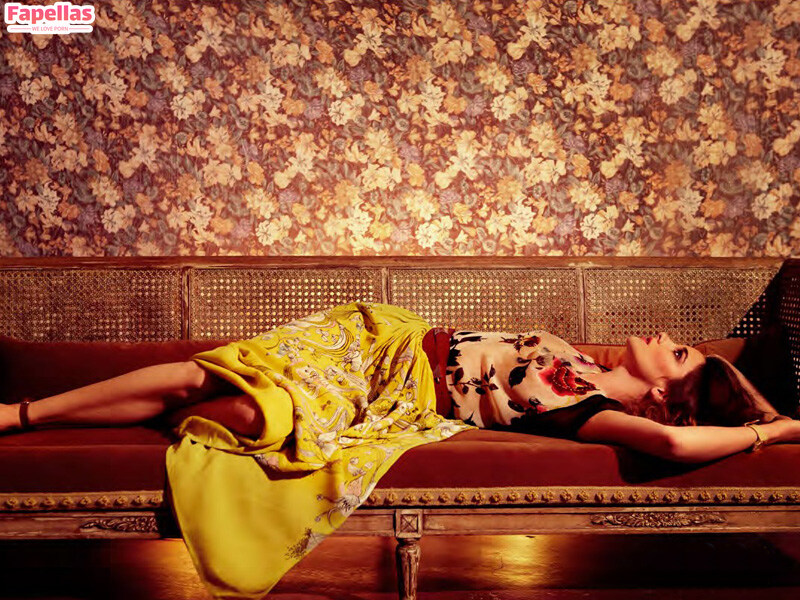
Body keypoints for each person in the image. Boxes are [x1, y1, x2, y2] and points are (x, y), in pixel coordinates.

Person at [1, 307, 799, 462]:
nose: (667, 339)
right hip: (381, 341)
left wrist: (777, 429)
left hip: (396, 396)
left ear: (670, 397)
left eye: (681, 356)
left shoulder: (586, 411)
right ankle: (17, 413)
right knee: (199, 375)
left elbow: (671, 447)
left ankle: (185, 419)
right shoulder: (583, 361)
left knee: (244, 412)